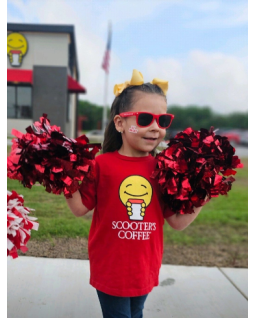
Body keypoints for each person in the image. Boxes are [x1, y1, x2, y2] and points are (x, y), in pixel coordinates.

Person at [66, 69, 209, 318]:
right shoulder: (102, 164)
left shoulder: (166, 168)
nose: (155, 128)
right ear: (120, 123)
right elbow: (79, 208)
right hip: (110, 267)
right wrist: (60, 178)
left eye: (162, 121)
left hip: (144, 267)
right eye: (144, 119)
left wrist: (204, 193)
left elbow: (176, 221)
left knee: (137, 313)